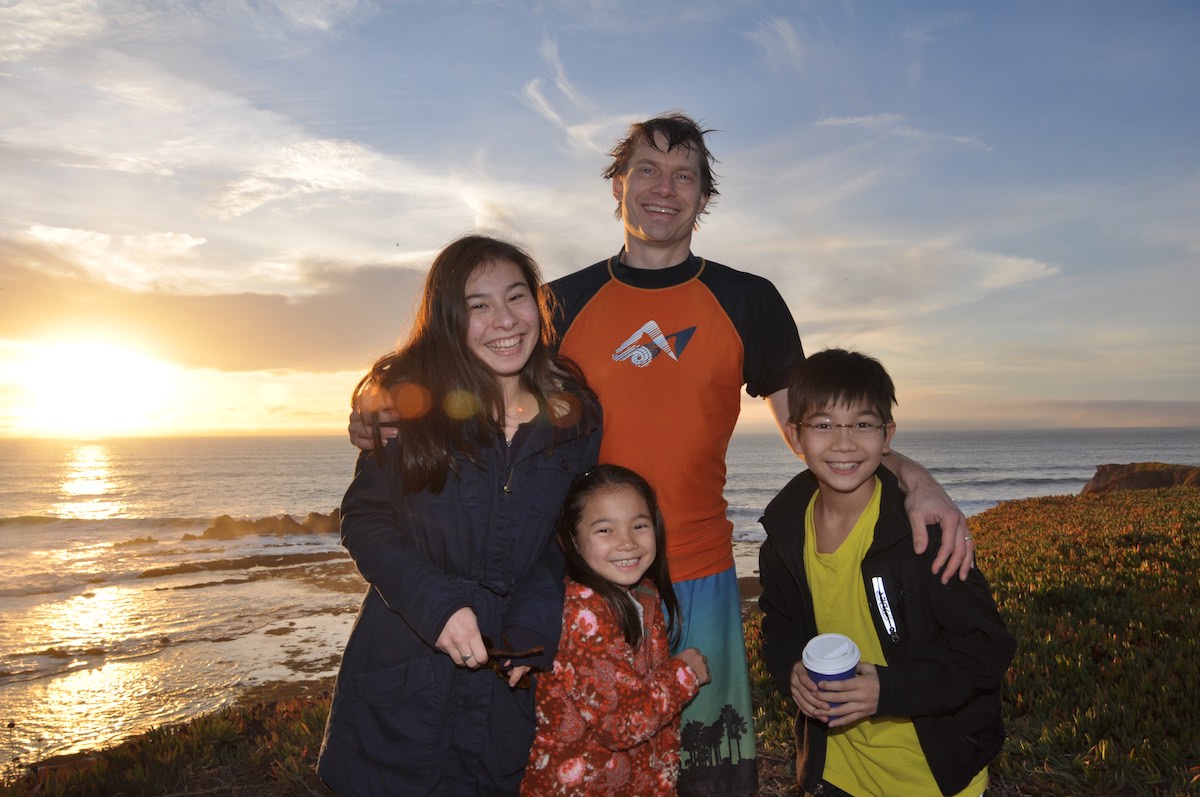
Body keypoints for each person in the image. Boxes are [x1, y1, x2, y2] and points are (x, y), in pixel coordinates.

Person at [348, 112, 975, 796]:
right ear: (617, 185)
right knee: (587, 767)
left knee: (706, 770)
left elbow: (823, 430)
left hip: (700, 571)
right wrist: (387, 394)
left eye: (684, 176)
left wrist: (913, 477)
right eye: (646, 169)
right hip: (583, 587)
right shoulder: (556, 304)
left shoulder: (749, 300)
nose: (664, 188)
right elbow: (470, 367)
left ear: (704, 197)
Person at [317, 235, 602, 796]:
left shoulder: (575, 417)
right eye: (478, 305)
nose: (505, 320)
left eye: (516, 297)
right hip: (404, 662)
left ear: (538, 304)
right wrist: (438, 607)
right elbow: (365, 518)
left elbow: (560, 541)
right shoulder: (408, 405)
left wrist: (532, 627)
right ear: (450, 317)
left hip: (506, 676)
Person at [757, 349, 1015, 797]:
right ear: (795, 435)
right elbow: (779, 624)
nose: (843, 443)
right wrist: (791, 665)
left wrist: (889, 690)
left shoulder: (922, 537)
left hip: (931, 776)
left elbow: (986, 649)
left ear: (887, 435)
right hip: (835, 771)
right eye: (823, 425)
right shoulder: (783, 533)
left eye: (862, 424)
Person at [521, 464, 712, 795]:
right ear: (571, 540)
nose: (627, 542)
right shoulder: (582, 612)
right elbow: (619, 724)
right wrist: (684, 675)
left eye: (639, 525)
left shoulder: (642, 593)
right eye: (605, 530)